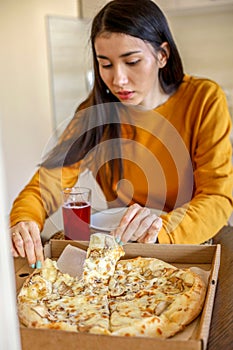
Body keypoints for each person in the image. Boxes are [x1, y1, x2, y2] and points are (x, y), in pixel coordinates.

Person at [10, 0, 233, 267]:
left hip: (195, 247)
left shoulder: (203, 99)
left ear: (162, 55)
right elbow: (45, 185)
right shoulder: (96, 112)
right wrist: (25, 220)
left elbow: (218, 197)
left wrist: (158, 229)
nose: (118, 80)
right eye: (106, 64)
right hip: (128, 251)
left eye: (132, 61)